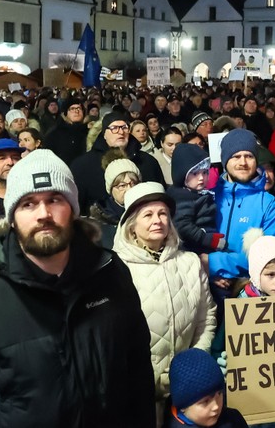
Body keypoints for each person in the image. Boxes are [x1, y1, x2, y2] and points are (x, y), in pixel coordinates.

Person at [0, 149, 156, 426]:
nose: (44, 214)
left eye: (55, 199)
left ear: (73, 209)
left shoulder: (109, 275)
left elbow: (138, 376)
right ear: (12, 217)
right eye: (28, 203)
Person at [113, 182, 216, 425]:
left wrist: (191, 368)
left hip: (187, 388)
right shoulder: (117, 269)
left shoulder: (189, 262)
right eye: (147, 215)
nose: (157, 220)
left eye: (162, 214)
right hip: (138, 391)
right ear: (131, 226)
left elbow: (207, 317)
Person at [208, 129, 275, 292]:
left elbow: (270, 257)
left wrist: (211, 263)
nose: (243, 162)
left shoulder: (269, 204)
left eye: (249, 156)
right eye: (236, 156)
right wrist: (208, 272)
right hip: (206, 288)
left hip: (249, 293)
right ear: (225, 160)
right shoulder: (210, 197)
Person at [169, 349, 248, 427]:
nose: (216, 406)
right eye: (206, 401)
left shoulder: (233, 419)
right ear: (183, 407)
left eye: (219, 393)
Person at [168, 144, 223, 254]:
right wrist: (208, 239)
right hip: (194, 250)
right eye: (194, 173)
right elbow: (182, 226)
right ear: (182, 175)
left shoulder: (198, 193)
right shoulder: (183, 197)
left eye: (205, 172)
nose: (201, 178)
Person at [85, 153, 140, 248]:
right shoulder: (100, 221)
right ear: (111, 189)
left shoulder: (146, 211)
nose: (129, 189)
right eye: (122, 186)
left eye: (133, 184)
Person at [42, 100, 88, 165]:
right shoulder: (55, 133)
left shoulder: (89, 131)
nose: (76, 111)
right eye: (72, 109)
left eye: (79, 108)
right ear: (65, 114)